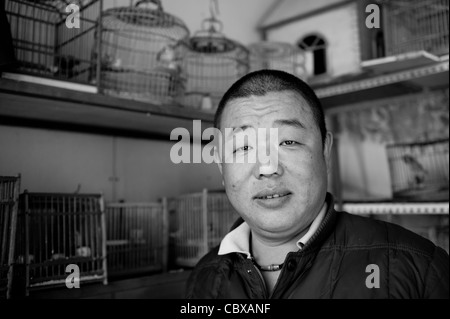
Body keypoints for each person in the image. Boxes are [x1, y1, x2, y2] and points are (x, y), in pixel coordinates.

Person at [185, 69, 449, 299]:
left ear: (325, 151)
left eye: (288, 142)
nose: (267, 168)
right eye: (242, 147)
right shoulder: (206, 277)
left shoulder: (418, 268)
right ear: (222, 167)